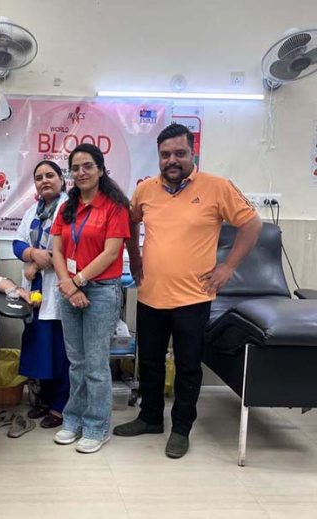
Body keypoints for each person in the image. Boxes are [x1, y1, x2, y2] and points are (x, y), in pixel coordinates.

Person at [113, 123, 261, 459]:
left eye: (179, 153)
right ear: (158, 157)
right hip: (150, 294)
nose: (172, 160)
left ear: (192, 153)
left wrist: (228, 267)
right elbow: (129, 223)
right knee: (148, 362)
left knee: (188, 366)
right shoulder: (146, 190)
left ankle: (181, 428)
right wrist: (134, 258)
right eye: (165, 155)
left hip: (193, 298)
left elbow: (252, 224)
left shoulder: (217, 187)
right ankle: (150, 418)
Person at [51, 143, 131, 454]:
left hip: (101, 290)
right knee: (76, 363)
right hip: (69, 288)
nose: (81, 172)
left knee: (96, 365)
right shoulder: (66, 207)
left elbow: (111, 252)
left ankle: (97, 427)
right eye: (75, 167)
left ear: (100, 169)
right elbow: (57, 250)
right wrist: (68, 285)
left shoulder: (114, 206)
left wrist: (79, 281)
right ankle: (73, 420)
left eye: (88, 166)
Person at [12, 160, 69, 429]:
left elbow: (65, 246)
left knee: (60, 352)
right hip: (35, 290)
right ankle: (44, 401)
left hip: (59, 289)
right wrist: (32, 255)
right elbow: (18, 242)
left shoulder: (69, 208)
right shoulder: (32, 211)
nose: (44, 180)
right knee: (40, 349)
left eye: (50, 175)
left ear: (61, 179)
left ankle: (60, 407)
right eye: (39, 177)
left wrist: (36, 261)